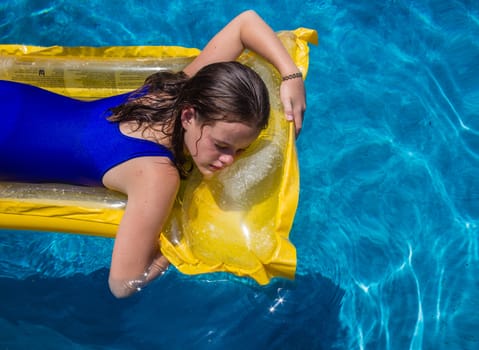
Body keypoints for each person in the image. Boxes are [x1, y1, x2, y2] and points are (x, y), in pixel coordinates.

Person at [0, 10, 306, 298]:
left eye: (241, 150)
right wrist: (178, 247)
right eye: (222, 146)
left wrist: (291, 75)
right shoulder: (157, 175)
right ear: (189, 116)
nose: (229, 161)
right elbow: (122, 284)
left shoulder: (175, 90)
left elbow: (245, 23)